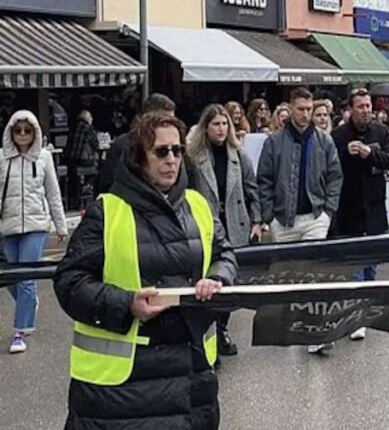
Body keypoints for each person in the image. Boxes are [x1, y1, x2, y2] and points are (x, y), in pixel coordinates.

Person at [54, 112, 236, 429]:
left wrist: (218, 278)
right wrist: (126, 304)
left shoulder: (198, 205)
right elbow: (70, 282)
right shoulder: (107, 210)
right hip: (121, 389)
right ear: (139, 157)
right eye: (161, 151)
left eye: (177, 150)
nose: (172, 159)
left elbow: (224, 255)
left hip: (191, 376)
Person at [257, 87, 342, 353]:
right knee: (289, 276)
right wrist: (269, 216)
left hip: (315, 216)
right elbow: (264, 180)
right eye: (301, 109)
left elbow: (335, 176)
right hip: (284, 219)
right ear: (291, 108)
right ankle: (292, 326)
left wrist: (328, 211)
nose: (305, 114)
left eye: (309, 109)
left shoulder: (324, 140)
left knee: (313, 274)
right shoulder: (274, 141)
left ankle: (315, 334)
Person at [185, 104, 260, 358]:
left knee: (227, 279)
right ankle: (208, 330)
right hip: (205, 223)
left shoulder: (239, 156)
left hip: (234, 223)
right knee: (206, 277)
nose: (221, 129)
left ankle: (222, 329)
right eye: (216, 124)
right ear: (205, 127)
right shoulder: (194, 157)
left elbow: (251, 189)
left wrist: (257, 221)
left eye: (225, 124)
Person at [332, 88, 389, 338]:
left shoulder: (380, 132)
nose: (365, 110)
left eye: (368, 106)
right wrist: (346, 154)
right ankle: (357, 313)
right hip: (349, 207)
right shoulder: (339, 134)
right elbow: (331, 166)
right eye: (360, 106)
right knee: (355, 264)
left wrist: (371, 154)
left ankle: (367, 304)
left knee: (371, 265)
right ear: (351, 109)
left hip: (374, 207)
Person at [1, 110, 68, 353]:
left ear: (35, 132)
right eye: (17, 130)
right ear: (10, 132)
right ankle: (29, 303)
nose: (22, 135)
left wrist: (61, 225)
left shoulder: (44, 157)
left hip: (36, 224)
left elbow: (53, 192)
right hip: (8, 225)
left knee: (26, 277)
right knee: (11, 277)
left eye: (27, 130)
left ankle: (21, 331)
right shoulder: (1, 158)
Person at [96, 94, 176, 194]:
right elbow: (107, 184)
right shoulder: (123, 145)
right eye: (164, 122)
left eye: (172, 122)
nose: (171, 160)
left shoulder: (176, 148)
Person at [66, 109, 101, 210]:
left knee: (74, 177)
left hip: (71, 161)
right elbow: (96, 144)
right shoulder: (88, 128)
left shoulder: (72, 127)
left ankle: (74, 199)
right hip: (84, 161)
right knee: (97, 170)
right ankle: (88, 188)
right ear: (87, 118)